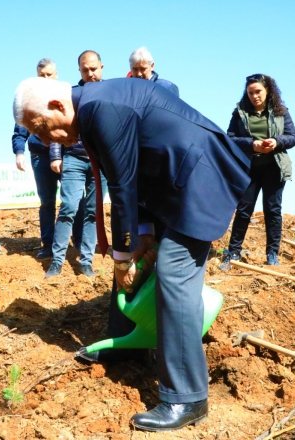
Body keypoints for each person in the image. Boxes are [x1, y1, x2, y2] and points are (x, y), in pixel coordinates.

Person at [13, 77, 250, 431]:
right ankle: (129, 344)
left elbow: (122, 184)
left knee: (172, 273)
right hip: (168, 184)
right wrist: (139, 238)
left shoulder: (100, 108)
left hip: (199, 177)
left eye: (43, 129)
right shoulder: (92, 108)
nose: (46, 141)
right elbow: (132, 175)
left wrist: (123, 256)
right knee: (135, 259)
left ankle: (188, 398)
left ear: (58, 107)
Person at [220, 74, 295, 268]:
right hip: (249, 168)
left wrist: (277, 141)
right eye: (250, 92)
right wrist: (251, 144)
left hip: (275, 167)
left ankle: (272, 253)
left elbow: (293, 137)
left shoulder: (281, 112)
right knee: (244, 210)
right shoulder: (239, 113)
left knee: (273, 211)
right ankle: (234, 251)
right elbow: (230, 138)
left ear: (268, 91)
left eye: (258, 92)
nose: (255, 96)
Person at [11, 58, 84, 259]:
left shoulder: (65, 98)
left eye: (49, 75)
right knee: (47, 201)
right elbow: (20, 130)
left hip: (66, 155)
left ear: (56, 75)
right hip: (39, 158)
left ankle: (78, 240)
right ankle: (48, 244)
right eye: (41, 75)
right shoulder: (30, 100)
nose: (45, 78)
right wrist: (19, 152)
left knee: (74, 199)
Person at [44, 50, 104, 278]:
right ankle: (57, 261)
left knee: (92, 212)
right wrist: (56, 154)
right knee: (68, 208)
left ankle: (86, 261)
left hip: (100, 163)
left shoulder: (110, 93)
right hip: (75, 158)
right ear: (79, 71)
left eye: (94, 69)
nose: (90, 73)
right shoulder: (71, 94)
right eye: (85, 70)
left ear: (101, 67)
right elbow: (56, 125)